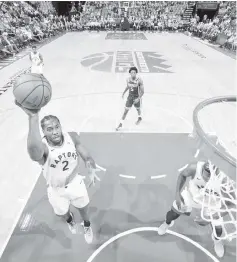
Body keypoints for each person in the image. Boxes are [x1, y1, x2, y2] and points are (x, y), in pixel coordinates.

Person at [16, 102, 101, 244]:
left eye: (57, 127)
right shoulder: (43, 148)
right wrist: (33, 118)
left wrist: (90, 165)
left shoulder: (71, 137)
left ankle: (87, 225)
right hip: (56, 189)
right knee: (62, 213)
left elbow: (86, 155)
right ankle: (70, 220)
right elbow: (33, 152)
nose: (55, 131)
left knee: (84, 208)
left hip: (75, 183)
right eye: (50, 129)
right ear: (44, 132)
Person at [157, 161, 235, 258]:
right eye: (205, 175)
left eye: (210, 176)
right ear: (202, 169)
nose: (207, 179)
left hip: (212, 203)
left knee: (218, 231)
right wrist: (177, 193)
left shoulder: (224, 181)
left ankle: (217, 241)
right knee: (172, 214)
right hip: (192, 196)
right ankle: (167, 223)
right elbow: (182, 175)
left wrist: (209, 218)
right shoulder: (194, 168)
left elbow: (230, 204)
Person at [116, 67, 144, 131]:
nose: (133, 73)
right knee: (125, 111)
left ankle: (139, 117)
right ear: (130, 73)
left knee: (138, 109)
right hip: (130, 97)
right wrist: (123, 93)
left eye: (134, 72)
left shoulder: (139, 80)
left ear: (136, 73)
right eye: (132, 72)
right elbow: (128, 86)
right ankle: (121, 124)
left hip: (137, 97)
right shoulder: (128, 79)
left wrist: (138, 98)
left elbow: (142, 91)